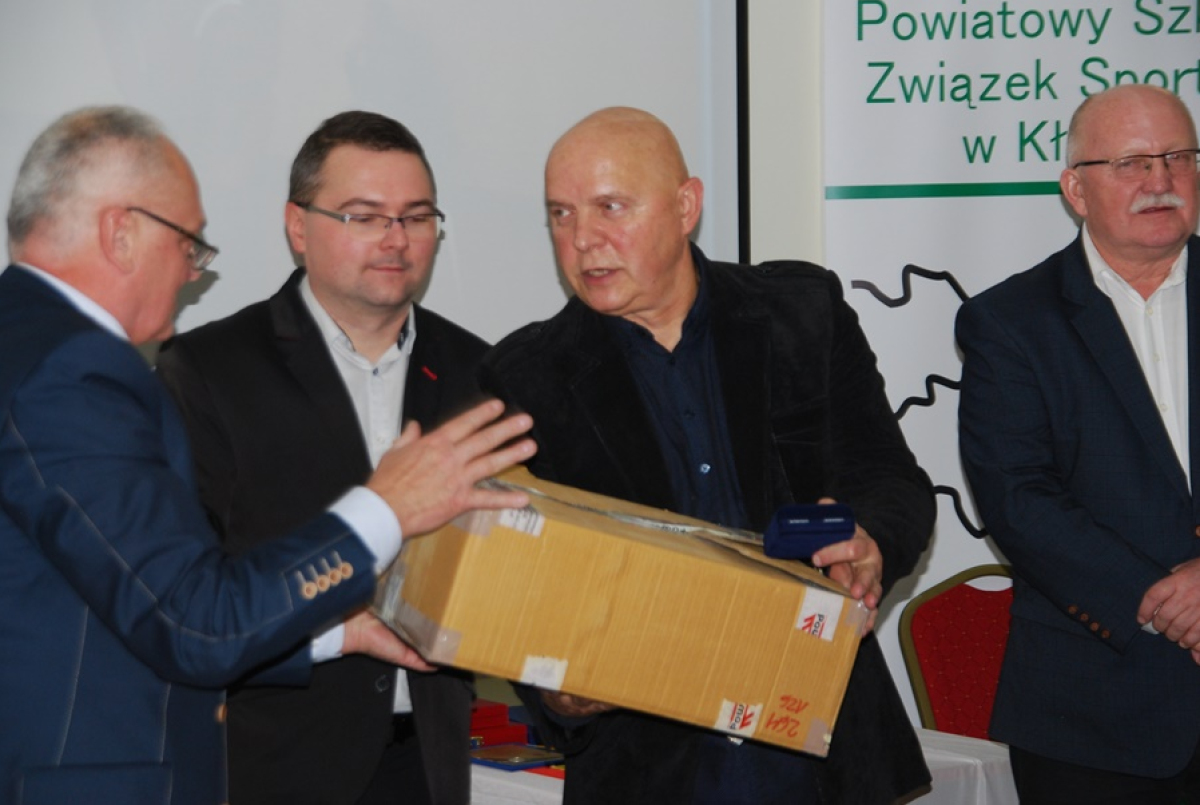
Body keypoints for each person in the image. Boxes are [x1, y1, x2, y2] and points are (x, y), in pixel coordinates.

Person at [0, 105, 536, 805]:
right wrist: (386, 507)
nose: (193, 272)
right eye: (188, 243)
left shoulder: (34, 346)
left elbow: (148, 608)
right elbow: (194, 619)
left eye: (415, 217)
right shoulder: (72, 372)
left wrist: (340, 635)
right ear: (120, 232)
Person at [480, 107, 935, 804]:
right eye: (561, 215)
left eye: (610, 207)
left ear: (686, 206)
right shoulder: (525, 378)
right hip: (648, 769)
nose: (582, 240)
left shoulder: (802, 313)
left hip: (820, 752)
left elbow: (890, 479)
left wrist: (870, 544)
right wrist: (556, 693)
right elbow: (516, 585)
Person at [154, 111, 490, 805]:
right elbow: (183, 602)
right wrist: (336, 630)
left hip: (429, 768)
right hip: (272, 766)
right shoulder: (209, 370)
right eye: (364, 216)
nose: (396, 238)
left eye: (417, 217)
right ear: (298, 227)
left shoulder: (480, 372)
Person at [958, 85, 1200, 802]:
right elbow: (1019, 497)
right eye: (1131, 163)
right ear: (1075, 189)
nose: (1160, 180)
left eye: (1179, 157)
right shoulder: (1010, 321)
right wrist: (1168, 601)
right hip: (1093, 715)